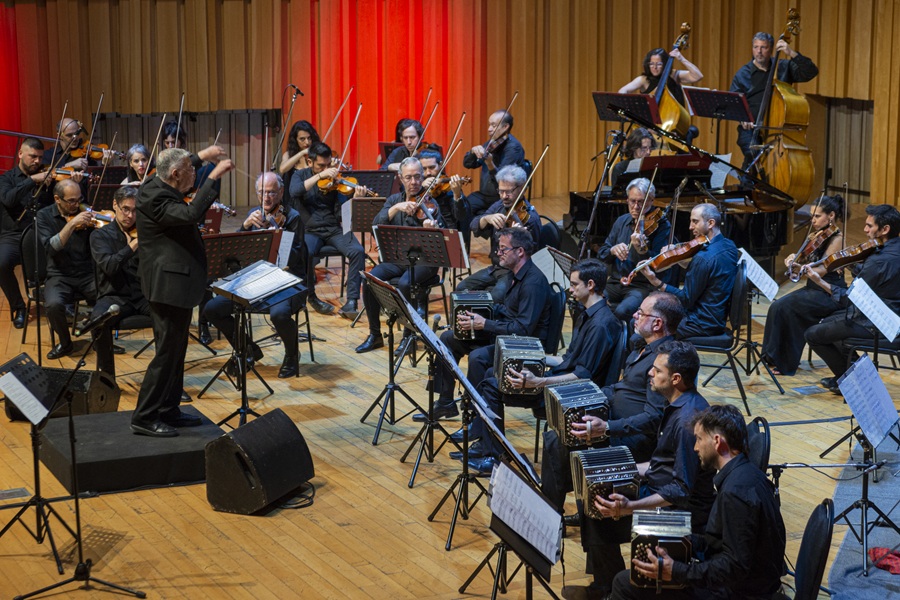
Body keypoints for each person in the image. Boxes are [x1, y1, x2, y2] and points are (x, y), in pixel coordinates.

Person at [561, 341, 715, 600]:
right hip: (659, 486)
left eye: (657, 370)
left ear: (676, 379)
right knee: (594, 495)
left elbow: (680, 490)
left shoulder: (687, 422)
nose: (650, 373)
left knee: (598, 510)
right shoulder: (678, 405)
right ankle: (606, 586)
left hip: (679, 511)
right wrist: (620, 469)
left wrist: (630, 507)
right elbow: (661, 465)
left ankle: (611, 590)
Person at [609, 404, 786, 600]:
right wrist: (675, 538)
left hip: (737, 593)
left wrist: (677, 571)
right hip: (741, 584)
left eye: (699, 439)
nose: (695, 447)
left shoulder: (735, 493)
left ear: (717, 441)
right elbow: (719, 543)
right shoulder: (748, 474)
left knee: (624, 584)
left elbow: (734, 567)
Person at [462, 259, 622, 475]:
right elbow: (566, 359)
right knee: (494, 372)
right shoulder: (587, 314)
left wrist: (539, 381)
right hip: (563, 381)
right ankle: (486, 445)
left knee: (491, 386)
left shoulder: (601, 324)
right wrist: (530, 357)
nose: (570, 289)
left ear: (591, 285)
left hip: (573, 395)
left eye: (574, 284)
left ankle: (495, 457)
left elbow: (583, 376)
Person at [541, 292, 685, 516]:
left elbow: (654, 418)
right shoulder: (641, 347)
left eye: (641, 313)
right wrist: (587, 394)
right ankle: (572, 508)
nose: (634, 315)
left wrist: (607, 428)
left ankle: (553, 513)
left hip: (633, 436)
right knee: (560, 431)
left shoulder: (663, 361)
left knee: (558, 442)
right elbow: (622, 388)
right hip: (614, 421)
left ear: (657, 324)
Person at [133, 145, 233, 437]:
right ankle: (144, 416)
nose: (195, 173)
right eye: (191, 170)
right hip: (167, 285)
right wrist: (213, 177)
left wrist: (203, 156)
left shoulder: (156, 181)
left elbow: (179, 165)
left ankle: (168, 409)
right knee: (167, 353)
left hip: (175, 283)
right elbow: (191, 213)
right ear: (176, 175)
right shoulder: (155, 197)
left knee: (177, 351)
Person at [427, 226, 551, 419]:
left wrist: (484, 324)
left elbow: (522, 329)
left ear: (520, 251)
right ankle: (445, 403)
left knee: (478, 357)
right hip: (505, 336)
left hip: (523, 346)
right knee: (448, 338)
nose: (498, 253)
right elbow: (507, 312)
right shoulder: (513, 274)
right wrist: (477, 312)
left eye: (503, 249)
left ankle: (476, 419)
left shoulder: (533, 283)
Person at [204, 172, 308, 379]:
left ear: (281, 192)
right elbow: (235, 252)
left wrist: (277, 231)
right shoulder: (254, 215)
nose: (266, 198)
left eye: (271, 192)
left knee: (279, 314)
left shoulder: (293, 218)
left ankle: (292, 355)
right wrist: (244, 227)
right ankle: (248, 349)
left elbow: (293, 259)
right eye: (262, 193)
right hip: (256, 281)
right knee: (212, 309)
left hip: (287, 282)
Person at [805, 204, 900, 391]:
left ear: (885, 229)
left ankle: (854, 383)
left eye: (869, 226)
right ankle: (854, 375)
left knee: (813, 334)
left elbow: (850, 299)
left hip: (879, 323)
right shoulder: (892, 251)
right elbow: (879, 278)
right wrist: (849, 263)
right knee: (831, 322)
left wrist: (820, 281)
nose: (865, 230)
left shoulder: (879, 260)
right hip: (894, 315)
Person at [355, 157, 445, 353]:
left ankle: (408, 337)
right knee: (369, 279)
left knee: (405, 283)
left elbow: (443, 235)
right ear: (400, 178)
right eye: (409, 178)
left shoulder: (431, 203)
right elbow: (376, 225)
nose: (414, 182)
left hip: (425, 262)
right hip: (399, 259)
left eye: (417, 177)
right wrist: (396, 208)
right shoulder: (394, 200)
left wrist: (432, 229)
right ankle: (375, 335)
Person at [761, 195, 846, 376]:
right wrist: (793, 259)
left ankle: (784, 362)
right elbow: (805, 260)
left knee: (786, 308)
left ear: (831, 215)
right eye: (812, 215)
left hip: (828, 292)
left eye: (817, 216)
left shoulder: (837, 239)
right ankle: (772, 357)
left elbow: (822, 270)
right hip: (813, 289)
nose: (812, 220)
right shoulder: (816, 235)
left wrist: (801, 268)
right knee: (777, 306)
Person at [290, 141, 368, 317]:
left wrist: (355, 199)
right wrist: (319, 176)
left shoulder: (335, 180)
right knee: (305, 253)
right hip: (310, 230)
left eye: (328, 165)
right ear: (309, 162)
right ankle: (311, 297)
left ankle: (351, 302)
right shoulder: (300, 175)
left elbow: (343, 213)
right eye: (321, 166)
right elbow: (294, 191)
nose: (326, 170)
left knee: (357, 251)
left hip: (333, 229)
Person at [640, 203, 738, 339]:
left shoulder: (702, 259)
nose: (690, 227)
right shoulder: (729, 246)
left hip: (698, 323)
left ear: (711, 223)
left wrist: (655, 281)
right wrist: (677, 256)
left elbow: (685, 300)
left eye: (695, 222)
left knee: (642, 326)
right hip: (716, 318)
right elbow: (707, 272)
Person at [730, 32, 818, 168]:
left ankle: (748, 178)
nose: (759, 51)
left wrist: (791, 53)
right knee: (753, 154)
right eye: (756, 47)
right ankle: (751, 177)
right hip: (751, 129)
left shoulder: (783, 68)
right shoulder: (743, 74)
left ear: (771, 49)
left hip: (778, 131)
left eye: (763, 47)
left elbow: (811, 72)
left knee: (761, 165)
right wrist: (742, 118)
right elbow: (733, 102)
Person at [455, 165, 540, 302]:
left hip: (514, 272)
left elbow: (532, 253)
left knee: (495, 297)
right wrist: (486, 218)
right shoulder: (499, 206)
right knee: (461, 288)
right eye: (501, 191)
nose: (504, 196)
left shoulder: (531, 218)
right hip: (496, 268)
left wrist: (520, 238)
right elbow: (473, 224)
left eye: (509, 192)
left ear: (522, 189)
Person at [35, 179, 98, 359]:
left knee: (108, 297)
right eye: (71, 201)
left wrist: (97, 226)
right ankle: (65, 343)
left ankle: (102, 340)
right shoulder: (44, 216)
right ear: (57, 199)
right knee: (53, 305)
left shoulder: (84, 212)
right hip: (59, 274)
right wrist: (71, 224)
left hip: (86, 273)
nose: (76, 205)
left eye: (79, 199)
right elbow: (51, 248)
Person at [89, 186, 146, 376]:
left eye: (135, 211)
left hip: (142, 294)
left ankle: (166, 379)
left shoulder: (146, 233)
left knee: (172, 318)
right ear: (115, 205)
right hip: (114, 296)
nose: (130, 216)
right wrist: (132, 246)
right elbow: (110, 266)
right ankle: (107, 378)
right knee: (98, 321)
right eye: (126, 209)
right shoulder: (100, 235)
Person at [598, 178, 673, 320]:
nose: (636, 207)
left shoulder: (662, 226)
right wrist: (612, 250)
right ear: (627, 200)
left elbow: (660, 264)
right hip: (616, 282)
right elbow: (602, 254)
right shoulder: (621, 221)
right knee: (588, 303)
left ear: (651, 200)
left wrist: (642, 251)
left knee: (623, 311)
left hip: (641, 286)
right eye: (632, 201)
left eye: (641, 202)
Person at [0, 137, 55, 329]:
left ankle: (59, 303)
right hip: (13, 236)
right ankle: (19, 307)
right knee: (1, 263)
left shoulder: (47, 178)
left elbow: (56, 204)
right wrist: (32, 181)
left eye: (40, 157)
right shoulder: (6, 179)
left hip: (40, 234)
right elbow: (8, 199)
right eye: (33, 156)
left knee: (63, 254)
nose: (37, 161)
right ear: (20, 154)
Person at [462, 110, 526, 216]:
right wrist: (473, 152)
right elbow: (468, 164)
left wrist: (490, 164)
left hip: (501, 197)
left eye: (493, 125)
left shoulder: (513, 148)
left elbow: (503, 181)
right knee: (462, 209)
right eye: (489, 125)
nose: (489, 129)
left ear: (505, 127)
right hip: (484, 196)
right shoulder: (491, 143)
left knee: (483, 216)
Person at [618, 47, 703, 100]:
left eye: (659, 64)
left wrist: (681, 59)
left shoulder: (673, 75)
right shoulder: (644, 80)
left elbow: (698, 76)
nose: (654, 67)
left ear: (665, 64)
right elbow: (622, 91)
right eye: (651, 64)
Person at [419, 148, 468, 231]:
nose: (428, 173)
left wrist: (457, 194)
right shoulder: (418, 184)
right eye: (424, 169)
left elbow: (460, 216)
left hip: (445, 229)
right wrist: (421, 189)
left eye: (432, 167)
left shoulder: (450, 188)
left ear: (440, 165)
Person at [279, 120, 321, 200]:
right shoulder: (288, 155)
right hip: (293, 198)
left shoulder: (317, 155)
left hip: (313, 197)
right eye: (302, 139)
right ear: (295, 140)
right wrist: (301, 153)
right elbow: (282, 169)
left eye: (309, 138)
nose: (307, 142)